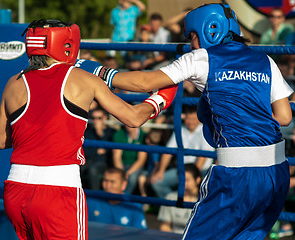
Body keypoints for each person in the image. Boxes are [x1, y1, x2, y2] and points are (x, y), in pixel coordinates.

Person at [77, 3, 293, 239]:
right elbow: (284, 116)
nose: (190, 44)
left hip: (237, 173)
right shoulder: (266, 61)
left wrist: (100, 72)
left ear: (211, 30)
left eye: (192, 36)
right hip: (276, 172)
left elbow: (144, 83)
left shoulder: (201, 58)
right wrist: (246, 115)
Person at [0, 19, 177, 240]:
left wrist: (40, 133)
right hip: (58, 190)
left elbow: (1, 141)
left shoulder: (14, 82)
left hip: (16, 190)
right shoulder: (82, 78)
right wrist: (160, 99)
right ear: (66, 44)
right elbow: (133, 117)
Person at [150, 106, 214, 198]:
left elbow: (202, 157)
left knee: (198, 188)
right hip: (182, 169)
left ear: (198, 119)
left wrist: (192, 176)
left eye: (193, 118)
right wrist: (161, 171)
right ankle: (176, 201)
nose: (190, 121)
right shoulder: (181, 130)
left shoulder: (204, 131)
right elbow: (168, 151)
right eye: (188, 118)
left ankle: (190, 205)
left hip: (201, 171)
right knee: (157, 182)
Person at [158, 163, 202, 234]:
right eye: (181, 180)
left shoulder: (205, 200)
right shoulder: (170, 197)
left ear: (197, 180)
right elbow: (164, 226)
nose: (183, 183)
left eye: (187, 180)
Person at [81, 107, 115, 190]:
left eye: (99, 118)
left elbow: (109, 152)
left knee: (93, 169)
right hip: (88, 160)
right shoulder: (87, 132)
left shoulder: (111, 132)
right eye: (93, 118)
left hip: (104, 163)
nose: (96, 121)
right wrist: (96, 151)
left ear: (105, 118)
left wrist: (100, 133)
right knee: (78, 167)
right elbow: (83, 151)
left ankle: (95, 195)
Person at [112, 125, 147, 194]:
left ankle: (124, 198)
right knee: (116, 176)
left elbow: (141, 161)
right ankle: (116, 197)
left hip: (135, 166)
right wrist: (121, 173)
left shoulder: (143, 136)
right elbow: (116, 158)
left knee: (132, 178)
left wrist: (127, 173)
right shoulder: (119, 134)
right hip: (122, 164)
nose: (128, 123)